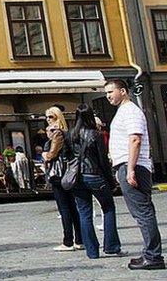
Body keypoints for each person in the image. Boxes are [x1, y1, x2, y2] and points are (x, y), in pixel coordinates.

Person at [106, 79, 164, 270]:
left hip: (134, 166)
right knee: (141, 212)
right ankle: (150, 253)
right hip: (128, 165)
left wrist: (130, 168)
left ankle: (153, 256)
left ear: (123, 91)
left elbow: (135, 139)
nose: (108, 96)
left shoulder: (130, 111)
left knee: (143, 212)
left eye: (111, 92)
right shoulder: (124, 111)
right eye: (106, 93)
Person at [68, 103, 121, 260]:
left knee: (84, 213)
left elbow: (67, 157)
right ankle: (111, 247)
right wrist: (111, 181)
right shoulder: (95, 134)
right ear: (90, 116)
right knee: (108, 208)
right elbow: (103, 160)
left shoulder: (70, 135)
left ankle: (92, 251)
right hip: (95, 175)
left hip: (77, 178)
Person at [43, 106, 83, 252]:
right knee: (72, 207)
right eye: (47, 117)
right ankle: (79, 239)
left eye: (51, 117)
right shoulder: (64, 132)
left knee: (65, 208)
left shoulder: (57, 133)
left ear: (58, 117)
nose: (48, 120)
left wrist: (44, 155)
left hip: (58, 174)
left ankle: (68, 241)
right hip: (64, 173)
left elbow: (52, 154)